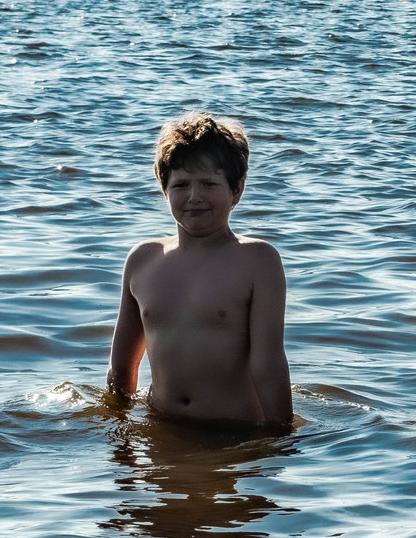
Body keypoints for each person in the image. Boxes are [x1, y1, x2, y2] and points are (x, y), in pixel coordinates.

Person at [106, 113, 292, 427]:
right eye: (181, 185)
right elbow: (122, 366)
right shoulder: (143, 260)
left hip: (232, 430)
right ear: (164, 190)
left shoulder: (257, 261)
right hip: (162, 426)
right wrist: (119, 436)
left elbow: (268, 363)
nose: (194, 197)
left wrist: (281, 435)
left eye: (208, 183)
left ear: (237, 190)